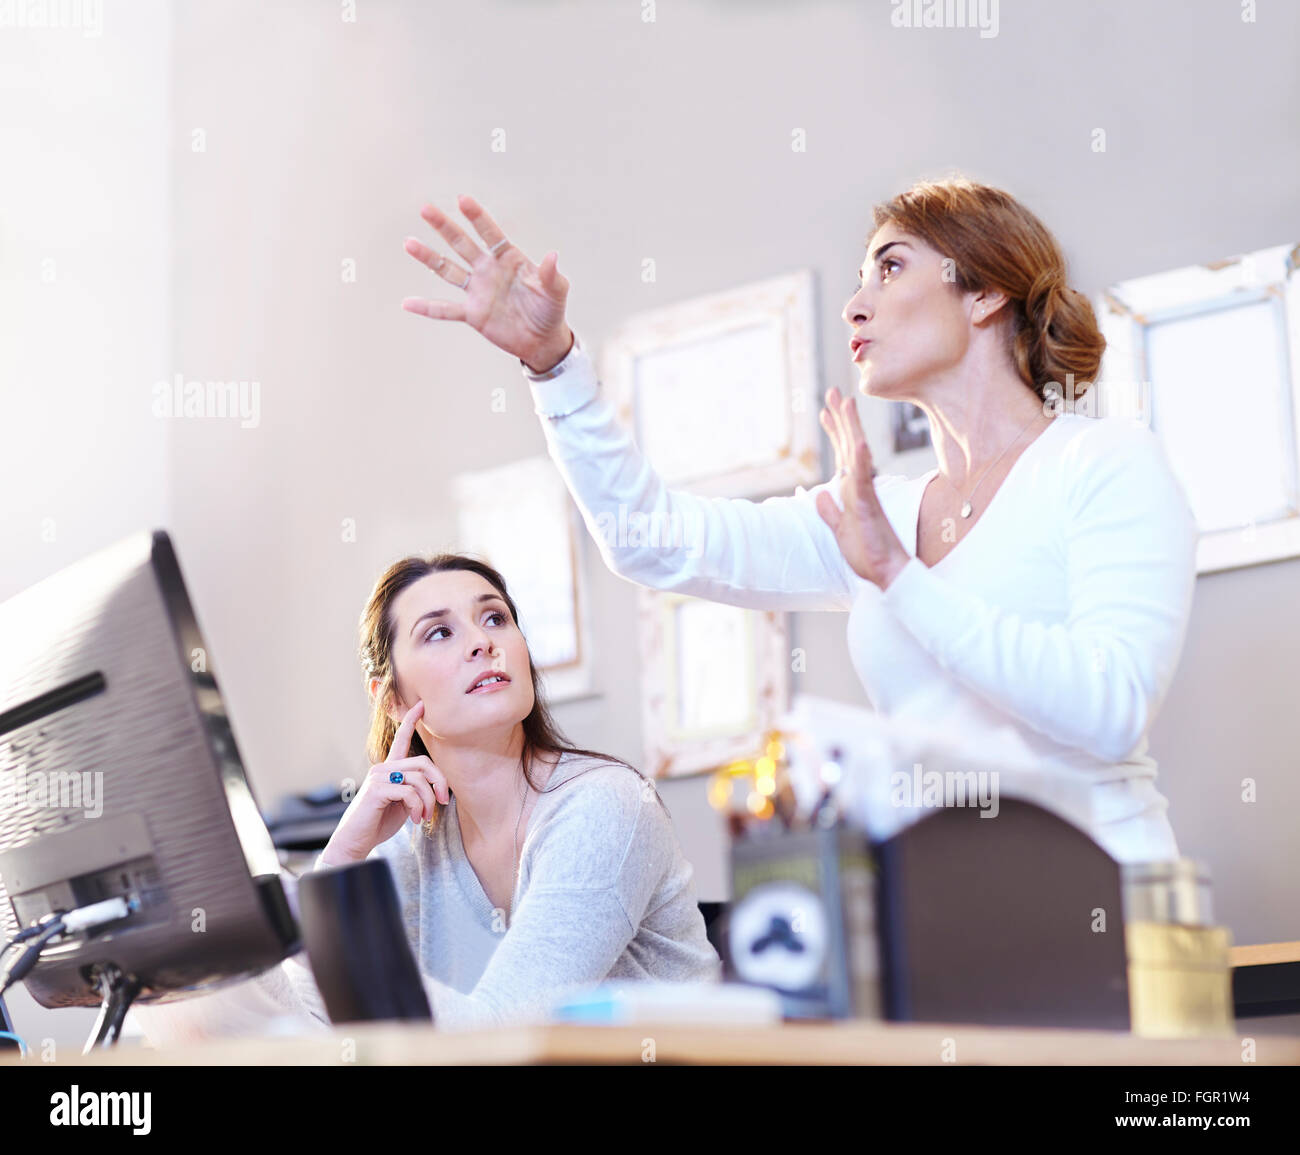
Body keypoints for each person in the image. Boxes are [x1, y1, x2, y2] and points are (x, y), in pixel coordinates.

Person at [400, 176, 1200, 865]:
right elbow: (653, 541)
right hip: (950, 918)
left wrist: (898, 577)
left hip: (1108, 909)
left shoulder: (1104, 463)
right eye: (860, 277)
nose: (857, 303)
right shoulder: (875, 512)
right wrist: (554, 366)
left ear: (986, 290)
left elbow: (1110, 707)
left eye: (891, 268)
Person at [129, 555, 719, 1045]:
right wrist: (342, 858)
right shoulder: (414, 840)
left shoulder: (605, 809)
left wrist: (301, 913)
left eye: (496, 619)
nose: (483, 643)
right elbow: (313, 1027)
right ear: (390, 699)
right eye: (440, 632)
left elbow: (502, 1038)